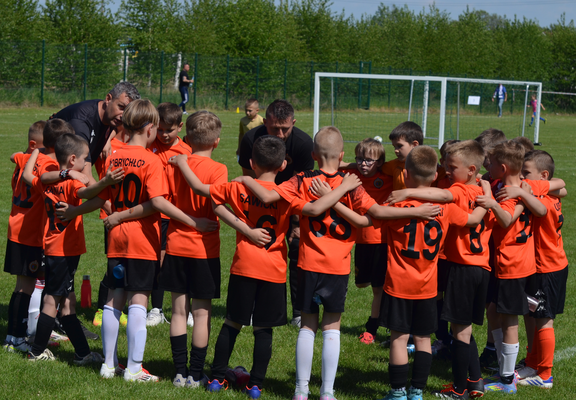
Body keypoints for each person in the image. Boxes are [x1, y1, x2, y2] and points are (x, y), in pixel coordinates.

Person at [236, 127, 442, 400]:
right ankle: (328, 392)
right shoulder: (352, 184)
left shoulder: (302, 179)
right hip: (338, 266)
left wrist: (245, 179)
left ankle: (300, 390)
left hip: (308, 263)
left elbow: (269, 196)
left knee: (307, 327)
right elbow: (374, 215)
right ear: (343, 155)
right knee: (332, 328)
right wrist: (418, 210)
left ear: (313, 155)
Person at [55, 99, 217, 382]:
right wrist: (193, 222)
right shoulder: (151, 160)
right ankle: (133, 368)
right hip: (141, 240)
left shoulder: (114, 157)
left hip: (116, 238)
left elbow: (101, 198)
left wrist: (75, 211)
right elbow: (157, 203)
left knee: (113, 299)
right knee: (138, 301)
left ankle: (108, 365)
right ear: (151, 128)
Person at [385, 140, 494, 399]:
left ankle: (399, 393)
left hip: (400, 282)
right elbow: (472, 219)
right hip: (430, 282)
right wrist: (488, 195)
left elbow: (372, 217)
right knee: (425, 338)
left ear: (405, 174)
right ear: (435, 175)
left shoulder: (396, 207)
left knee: (399, 338)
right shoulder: (449, 207)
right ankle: (418, 392)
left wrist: (404, 196)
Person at [23, 133, 123, 363]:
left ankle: (82, 353)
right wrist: (105, 183)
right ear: (72, 159)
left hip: (54, 246)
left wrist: (35, 152)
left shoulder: (47, 181)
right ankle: (36, 352)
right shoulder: (70, 182)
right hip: (64, 250)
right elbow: (85, 193)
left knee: (68, 302)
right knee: (52, 300)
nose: (86, 163)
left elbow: (29, 175)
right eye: (85, 159)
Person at [474, 140, 561, 394]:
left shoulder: (511, 193)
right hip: (514, 263)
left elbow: (506, 220)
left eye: (490, 164)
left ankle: (507, 379)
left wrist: (491, 202)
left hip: (512, 265)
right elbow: (559, 188)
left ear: (502, 168)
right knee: (498, 312)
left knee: (511, 320)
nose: (486, 167)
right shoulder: (521, 186)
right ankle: (508, 367)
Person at [238, 99, 314, 328]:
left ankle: (298, 312)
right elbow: (248, 180)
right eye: (274, 128)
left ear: (294, 123)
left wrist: (296, 224)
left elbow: (303, 187)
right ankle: (252, 308)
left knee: (297, 254)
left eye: (285, 129)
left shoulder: (303, 144)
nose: (280, 134)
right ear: (265, 122)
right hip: (260, 204)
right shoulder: (250, 139)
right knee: (255, 252)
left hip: (292, 204)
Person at [517, 150, 567, 389]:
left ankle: (545, 375)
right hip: (543, 266)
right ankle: (532, 363)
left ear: (543, 176)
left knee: (544, 319)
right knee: (534, 315)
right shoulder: (547, 191)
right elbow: (561, 188)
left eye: (526, 173)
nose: (521, 177)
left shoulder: (541, 198)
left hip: (547, 268)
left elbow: (541, 206)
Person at [146, 102, 193, 327]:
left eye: (169, 130)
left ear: (180, 127)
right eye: (160, 129)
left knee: (181, 261)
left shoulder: (186, 152)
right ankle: (156, 309)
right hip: (155, 214)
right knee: (157, 260)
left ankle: (186, 310)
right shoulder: (148, 146)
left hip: (177, 214)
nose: (164, 135)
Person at [3, 121, 47, 352]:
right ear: (34, 144)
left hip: (16, 229)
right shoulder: (43, 163)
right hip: (29, 233)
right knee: (27, 287)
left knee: (21, 285)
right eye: (47, 145)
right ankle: (19, 337)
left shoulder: (23, 159)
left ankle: (12, 336)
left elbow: (14, 156)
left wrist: (29, 153)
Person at [47, 82, 140, 185]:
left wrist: (108, 139)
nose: (123, 115)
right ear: (108, 99)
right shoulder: (81, 123)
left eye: (127, 111)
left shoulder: (110, 116)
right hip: (46, 178)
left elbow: (123, 128)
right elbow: (85, 176)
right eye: (121, 107)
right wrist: (104, 195)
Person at [348, 138, 391, 345]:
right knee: (361, 284)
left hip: (382, 242)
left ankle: (372, 328)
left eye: (368, 160)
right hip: (360, 240)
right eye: (359, 159)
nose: (363, 164)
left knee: (379, 288)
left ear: (380, 162)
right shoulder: (352, 176)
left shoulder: (389, 177)